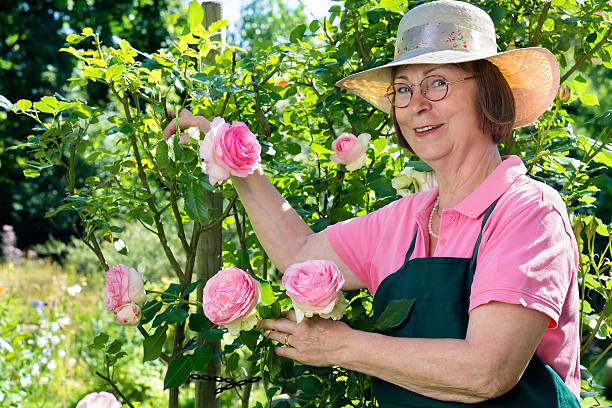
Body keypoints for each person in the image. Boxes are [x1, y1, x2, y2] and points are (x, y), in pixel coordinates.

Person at [163, 0, 581, 406]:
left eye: (437, 82)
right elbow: (298, 253)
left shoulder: (527, 212)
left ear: (488, 94)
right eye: (403, 89)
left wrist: (341, 347)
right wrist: (229, 154)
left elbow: (487, 371)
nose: (417, 104)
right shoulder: (405, 220)